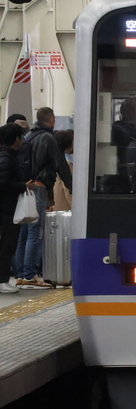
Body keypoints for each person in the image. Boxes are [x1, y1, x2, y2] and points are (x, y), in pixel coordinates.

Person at [15, 107, 72, 288]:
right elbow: (60, 164)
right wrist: (72, 186)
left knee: (24, 233)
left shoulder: (28, 136)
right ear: (52, 119)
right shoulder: (48, 138)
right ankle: (30, 274)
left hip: (25, 187)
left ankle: (20, 273)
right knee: (35, 232)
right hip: (39, 188)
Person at [0, 124, 33, 293]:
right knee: (6, 245)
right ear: (15, 139)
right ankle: (2, 281)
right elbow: (3, 183)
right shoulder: (7, 159)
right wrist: (22, 186)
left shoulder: (8, 156)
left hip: (8, 208)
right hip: (6, 209)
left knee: (8, 244)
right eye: (20, 137)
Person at [53, 129, 74, 211]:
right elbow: (68, 189)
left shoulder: (55, 158)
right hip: (65, 207)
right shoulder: (66, 164)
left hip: (57, 204)